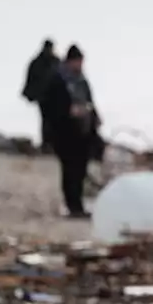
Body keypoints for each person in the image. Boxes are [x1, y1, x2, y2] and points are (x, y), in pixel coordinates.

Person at [39, 44, 99, 218]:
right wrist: (68, 111)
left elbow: (90, 100)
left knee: (80, 170)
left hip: (83, 132)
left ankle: (78, 204)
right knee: (69, 170)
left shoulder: (81, 80)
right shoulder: (57, 79)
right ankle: (71, 205)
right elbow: (49, 106)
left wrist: (95, 117)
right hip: (64, 133)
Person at [21, 39, 59, 153]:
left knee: (50, 122)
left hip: (51, 97)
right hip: (44, 97)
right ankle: (47, 145)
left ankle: (49, 145)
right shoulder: (43, 62)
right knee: (47, 121)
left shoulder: (51, 62)